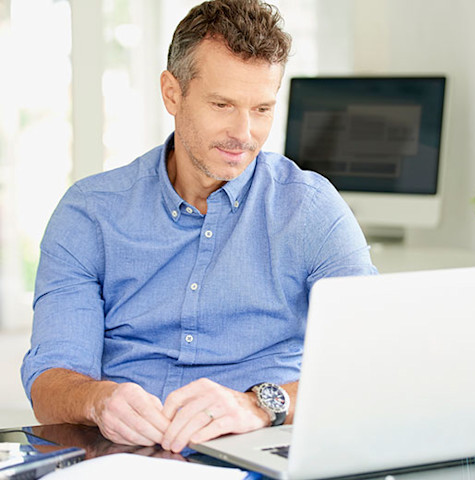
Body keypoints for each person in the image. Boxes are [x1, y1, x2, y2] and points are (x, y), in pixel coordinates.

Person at [21, 0, 377, 454]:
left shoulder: (310, 209)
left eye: (262, 109)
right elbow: (49, 384)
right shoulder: (89, 213)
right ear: (172, 93)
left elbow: (369, 365)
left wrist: (260, 404)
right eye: (222, 104)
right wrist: (96, 400)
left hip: (261, 454)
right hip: (124, 458)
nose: (243, 133)